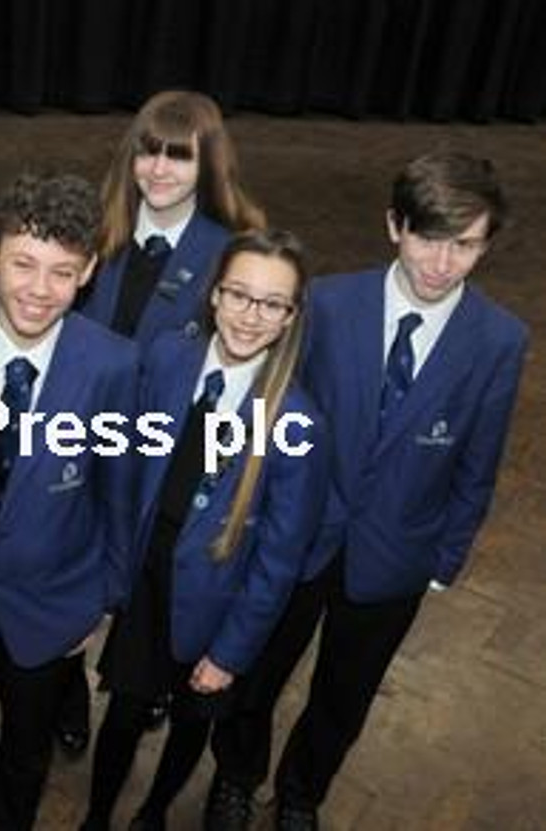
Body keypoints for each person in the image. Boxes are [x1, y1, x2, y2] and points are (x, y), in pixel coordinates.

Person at [205, 152, 528, 831]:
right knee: (257, 673)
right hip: (296, 537)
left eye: (465, 244)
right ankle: (235, 775)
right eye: (428, 238)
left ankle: (301, 794)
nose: (442, 262)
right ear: (394, 226)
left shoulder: (500, 339)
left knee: (343, 695)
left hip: (396, 555)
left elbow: (479, 459)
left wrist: (444, 560)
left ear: (486, 243)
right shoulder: (327, 302)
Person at [79, 230, 329, 831]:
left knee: (192, 723)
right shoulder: (167, 356)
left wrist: (230, 652)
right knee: (121, 717)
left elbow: (278, 561)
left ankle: (153, 813)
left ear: (291, 316)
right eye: (239, 295)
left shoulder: (296, 423)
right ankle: (95, 817)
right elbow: (127, 467)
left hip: (218, 603)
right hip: (147, 577)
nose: (251, 316)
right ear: (213, 295)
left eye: (272, 304)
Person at [0, 172, 138, 831]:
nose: (39, 290)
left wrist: (102, 596)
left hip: (52, 601)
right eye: (23, 263)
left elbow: (119, 490)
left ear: (89, 272)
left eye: (61, 272)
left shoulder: (113, 365)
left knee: (27, 740)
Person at [66, 90, 265, 754]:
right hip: (75, 442)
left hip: (157, 462)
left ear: (207, 164)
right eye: (149, 150)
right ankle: (65, 687)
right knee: (67, 572)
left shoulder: (229, 254)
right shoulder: (96, 229)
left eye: (178, 155)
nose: (158, 168)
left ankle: (138, 676)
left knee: (138, 585)